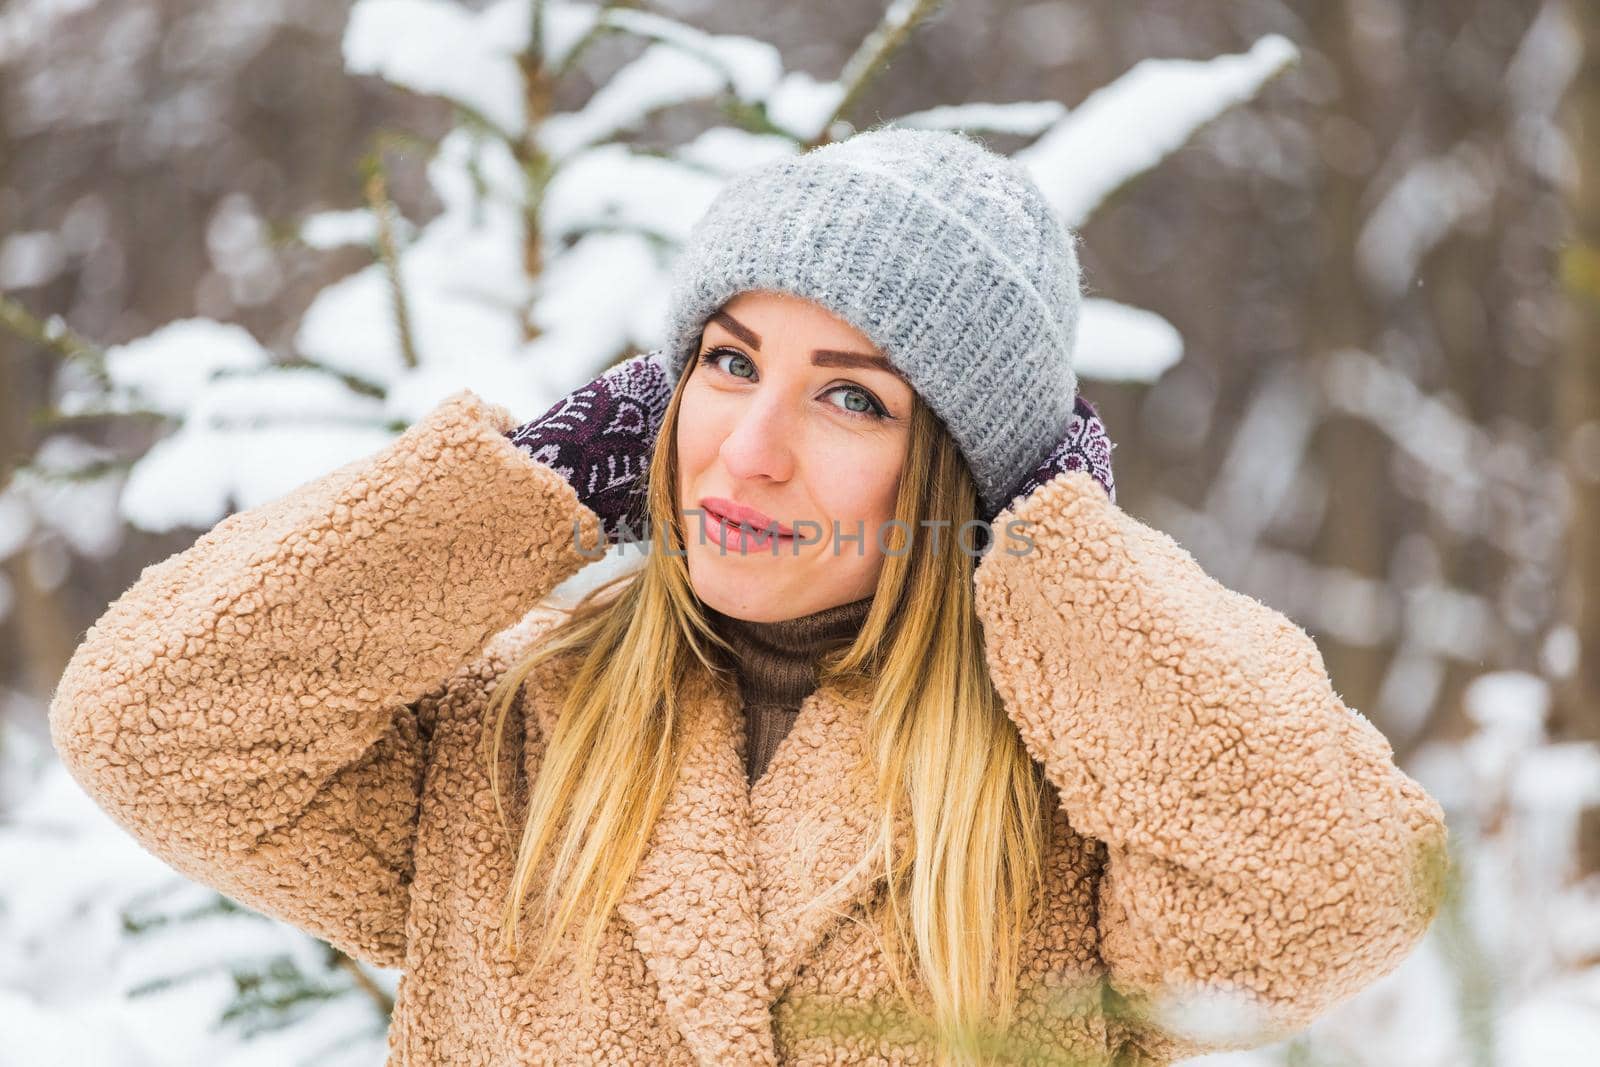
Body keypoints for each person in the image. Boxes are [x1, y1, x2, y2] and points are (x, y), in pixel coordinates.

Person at [48, 127, 1449, 1067]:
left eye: (849, 394)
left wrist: (1055, 546)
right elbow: (152, 723)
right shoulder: (515, 741)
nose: (753, 445)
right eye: (726, 364)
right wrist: (523, 484)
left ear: (963, 462)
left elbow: (1337, 889)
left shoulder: (1078, 805)